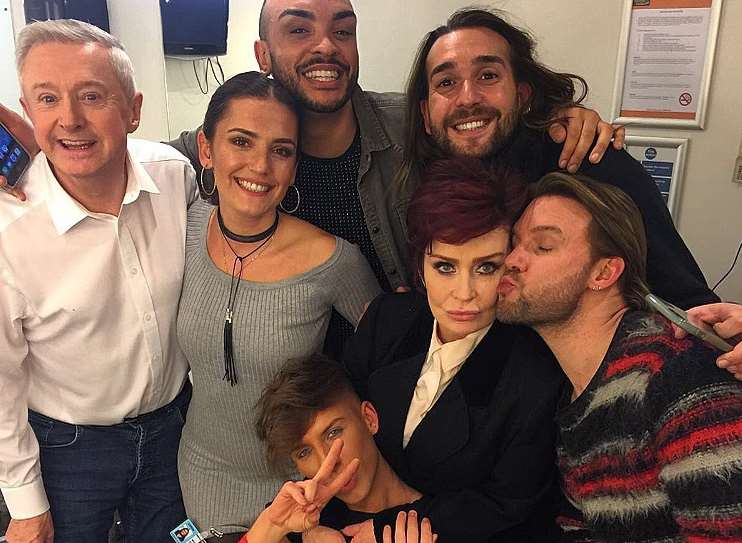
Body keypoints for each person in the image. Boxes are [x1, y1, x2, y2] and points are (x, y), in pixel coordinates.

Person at [168, 0, 625, 356]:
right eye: (299, 29)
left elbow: (487, 126)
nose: (326, 45)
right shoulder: (233, 145)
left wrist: (559, 118)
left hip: (408, 373)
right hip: (298, 383)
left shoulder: (409, 124)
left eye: (343, 31)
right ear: (263, 54)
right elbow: (145, 161)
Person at [0, 19, 196, 543]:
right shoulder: (8, 232)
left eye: (91, 95)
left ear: (133, 110)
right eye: (46, 99)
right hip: (67, 451)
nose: (69, 118)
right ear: (26, 110)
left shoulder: (176, 178)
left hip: (174, 433)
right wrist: (24, 504)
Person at [401, 7, 719, 310]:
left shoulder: (587, 162)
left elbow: (685, 299)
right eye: (446, 82)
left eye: (487, 76)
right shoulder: (421, 184)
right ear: (426, 115)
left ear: (522, 96)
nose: (468, 97)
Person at [176, 71, 379, 540]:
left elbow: (391, 358)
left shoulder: (333, 260)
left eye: (281, 150)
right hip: (199, 476)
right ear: (207, 150)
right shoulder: (183, 226)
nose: (261, 166)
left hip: (302, 496)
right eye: (241, 142)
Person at [496, 173, 742, 542]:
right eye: (514, 244)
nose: (512, 260)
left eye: (543, 246)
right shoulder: (574, 392)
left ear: (604, 272)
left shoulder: (676, 373)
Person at [343, 158, 565, 542]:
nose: (465, 294)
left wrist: (388, 528)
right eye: (445, 267)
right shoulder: (386, 320)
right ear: (420, 265)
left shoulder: (535, 376)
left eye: (486, 268)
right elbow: (339, 417)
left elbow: (507, 504)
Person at [247, 353, 433, 542]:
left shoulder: (444, 518)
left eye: (333, 432)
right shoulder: (303, 524)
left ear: (369, 418)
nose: (327, 461)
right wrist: (273, 527)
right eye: (304, 452)